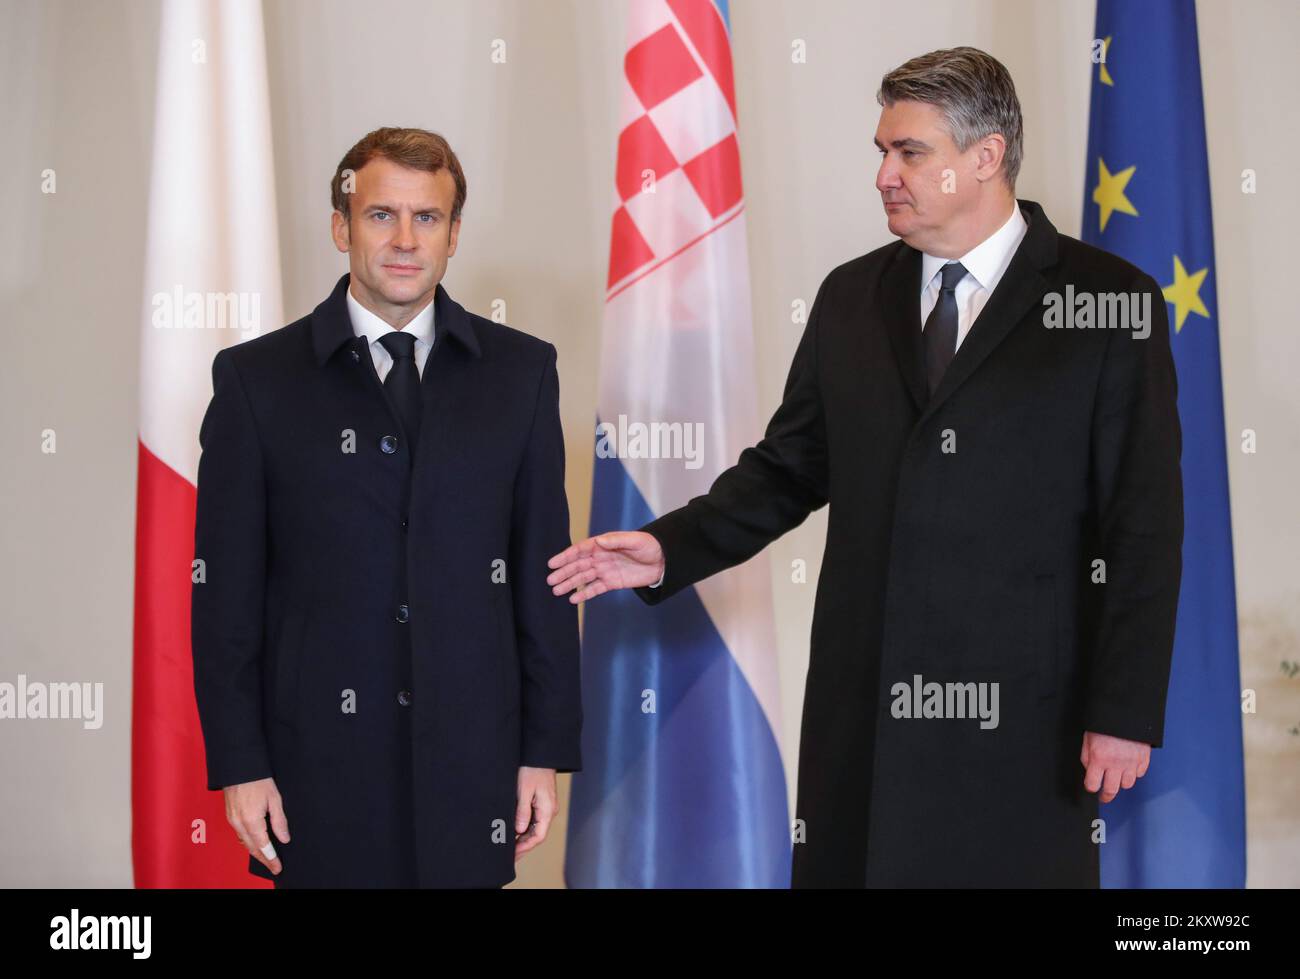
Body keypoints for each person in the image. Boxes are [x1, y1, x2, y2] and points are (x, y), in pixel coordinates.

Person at [547, 48, 1182, 887]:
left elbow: (1143, 526)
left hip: (1027, 730)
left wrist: (1123, 710)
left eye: (909, 152)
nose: (884, 174)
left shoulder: (1109, 304)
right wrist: (671, 548)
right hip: (864, 720)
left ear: (984, 157)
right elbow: (788, 467)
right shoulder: (850, 295)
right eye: (881, 151)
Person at [192, 127, 581, 887]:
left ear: (454, 233)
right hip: (316, 774)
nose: (405, 240)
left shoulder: (523, 373)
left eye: (427, 218)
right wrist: (240, 762)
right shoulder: (256, 381)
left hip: (473, 766)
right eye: (380, 216)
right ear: (342, 226)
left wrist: (543, 748)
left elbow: (545, 576)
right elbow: (224, 596)